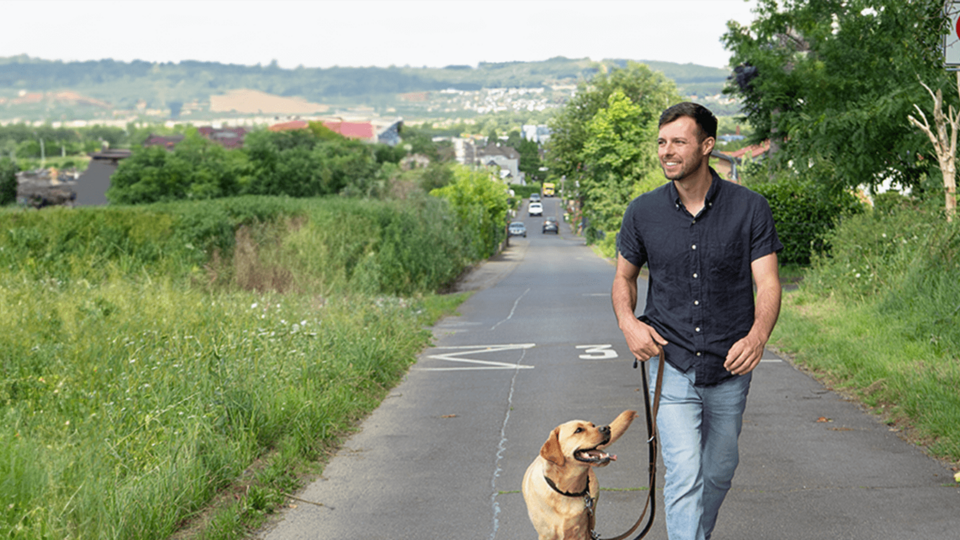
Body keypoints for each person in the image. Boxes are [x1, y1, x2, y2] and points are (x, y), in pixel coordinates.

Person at [611, 102, 783, 540]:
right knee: (684, 473)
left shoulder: (750, 208)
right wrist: (629, 323)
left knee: (719, 469)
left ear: (707, 146)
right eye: (662, 142)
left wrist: (759, 336)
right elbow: (623, 279)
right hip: (669, 363)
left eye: (679, 142)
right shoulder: (642, 212)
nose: (667, 151)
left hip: (730, 363)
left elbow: (767, 283)